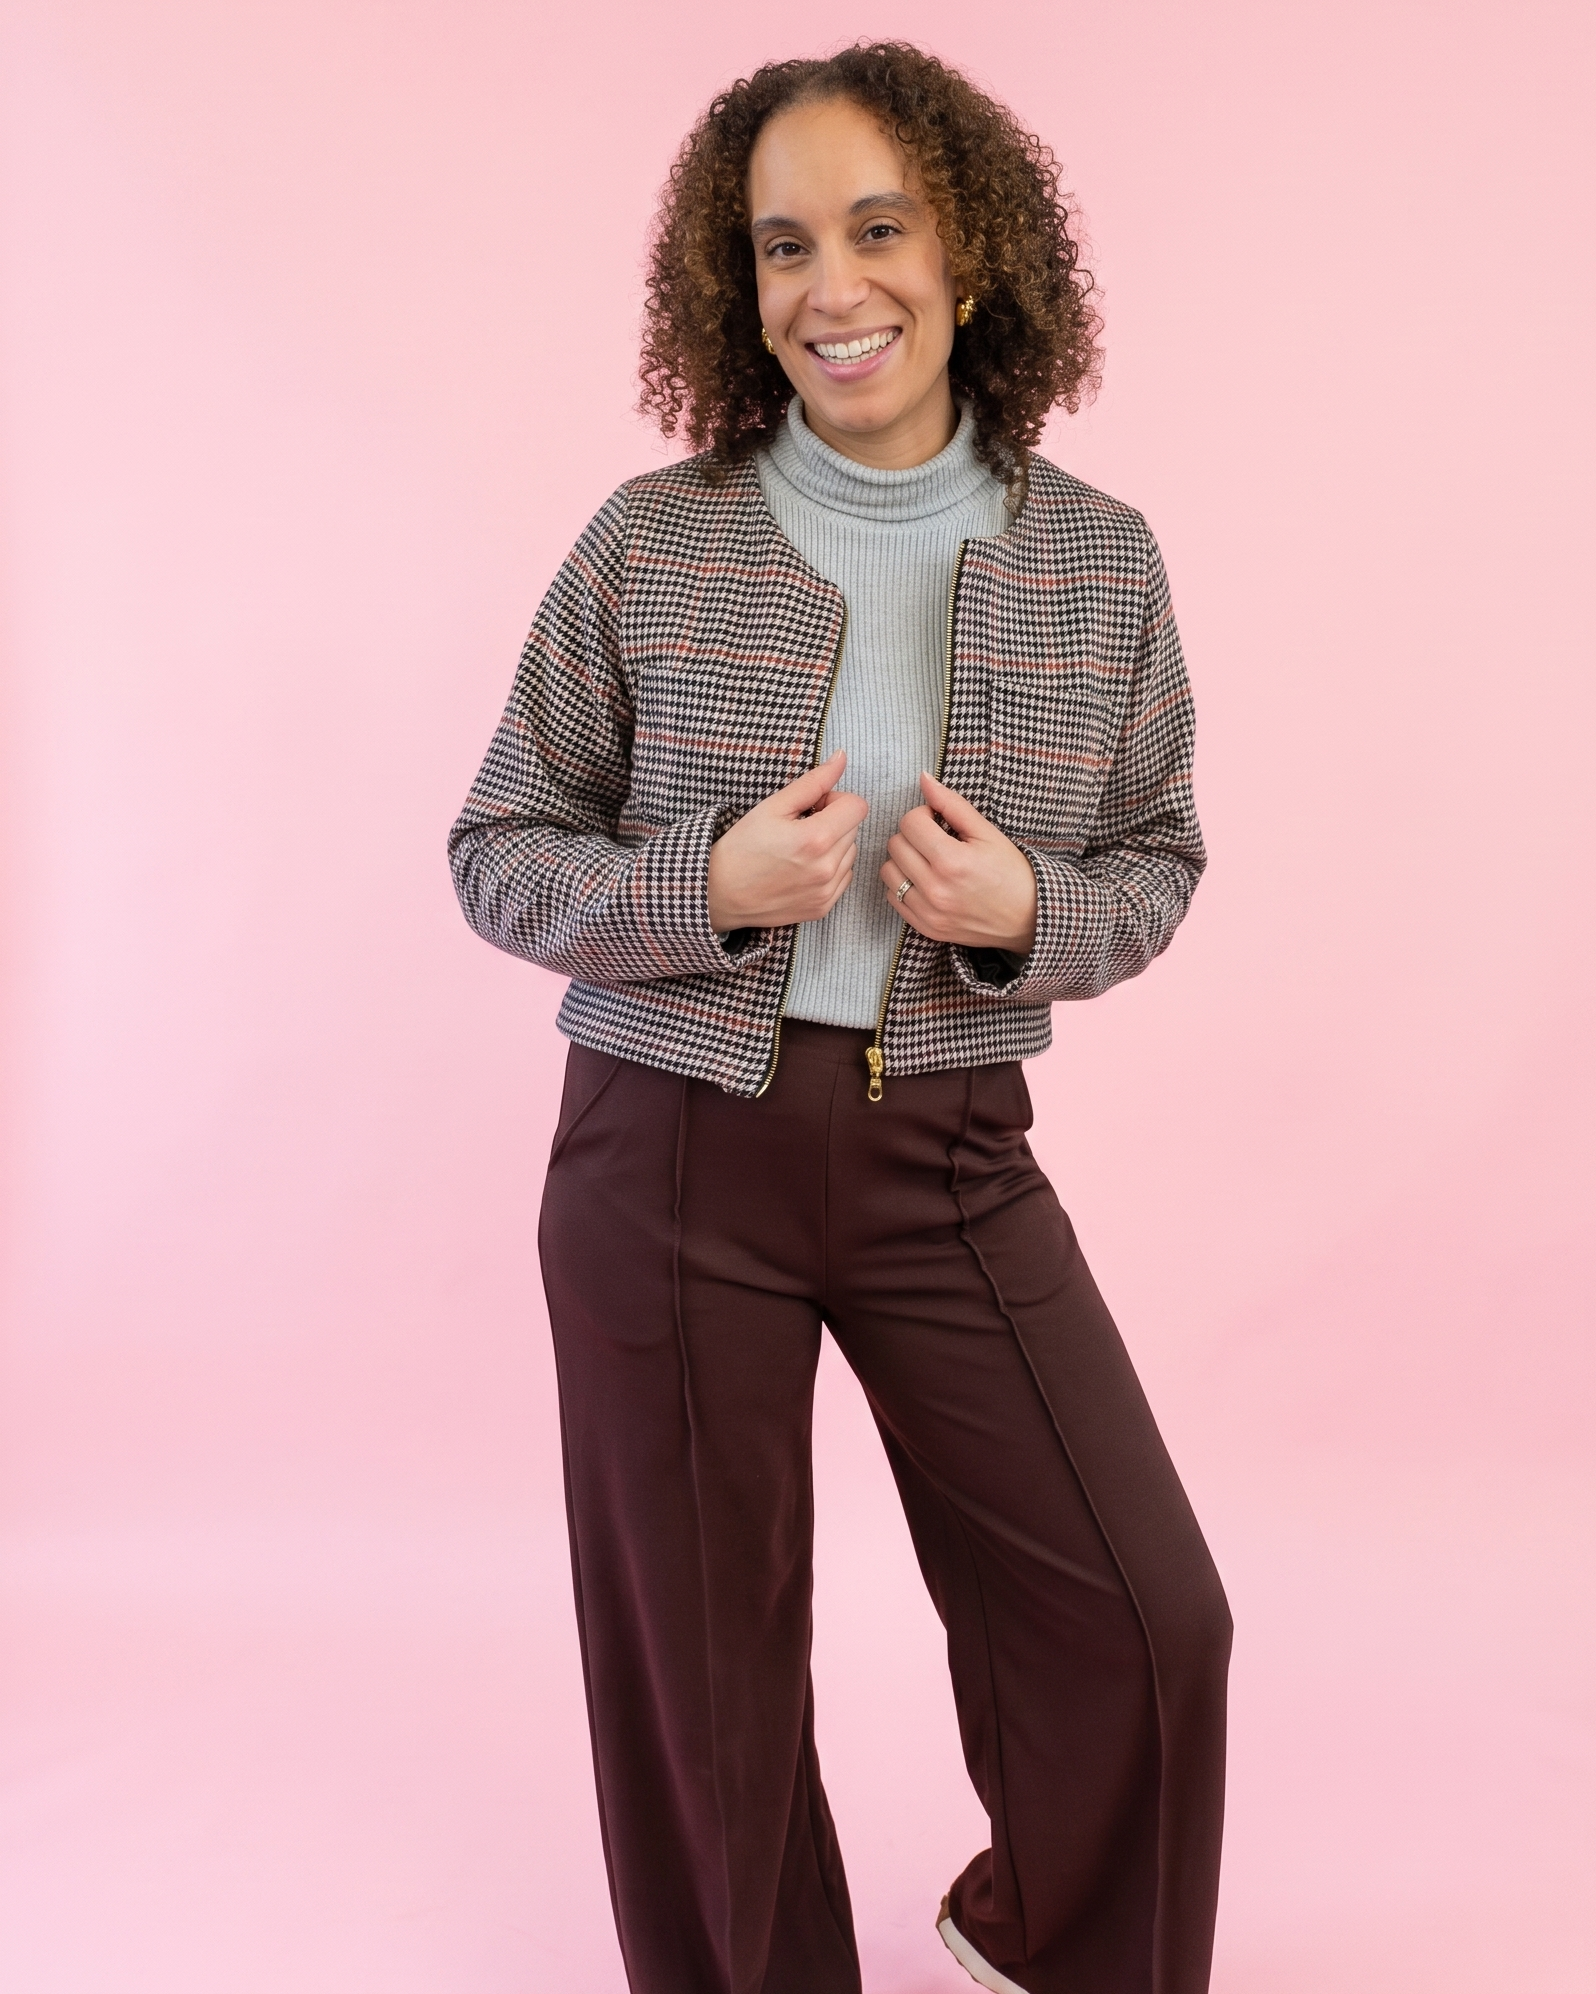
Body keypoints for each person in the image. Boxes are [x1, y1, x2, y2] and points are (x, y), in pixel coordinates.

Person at [449, 41, 1231, 1994]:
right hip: (666, 1158)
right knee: (709, 1694)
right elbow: (498, 846)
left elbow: (1155, 861)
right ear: (739, 287)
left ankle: (1047, 1942)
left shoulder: (1099, 560)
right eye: (784, 245)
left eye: (880, 228)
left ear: (971, 259)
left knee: (1148, 1621)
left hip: (950, 1156)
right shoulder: (654, 541)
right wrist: (700, 886)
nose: (833, 285)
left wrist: (1029, 914)